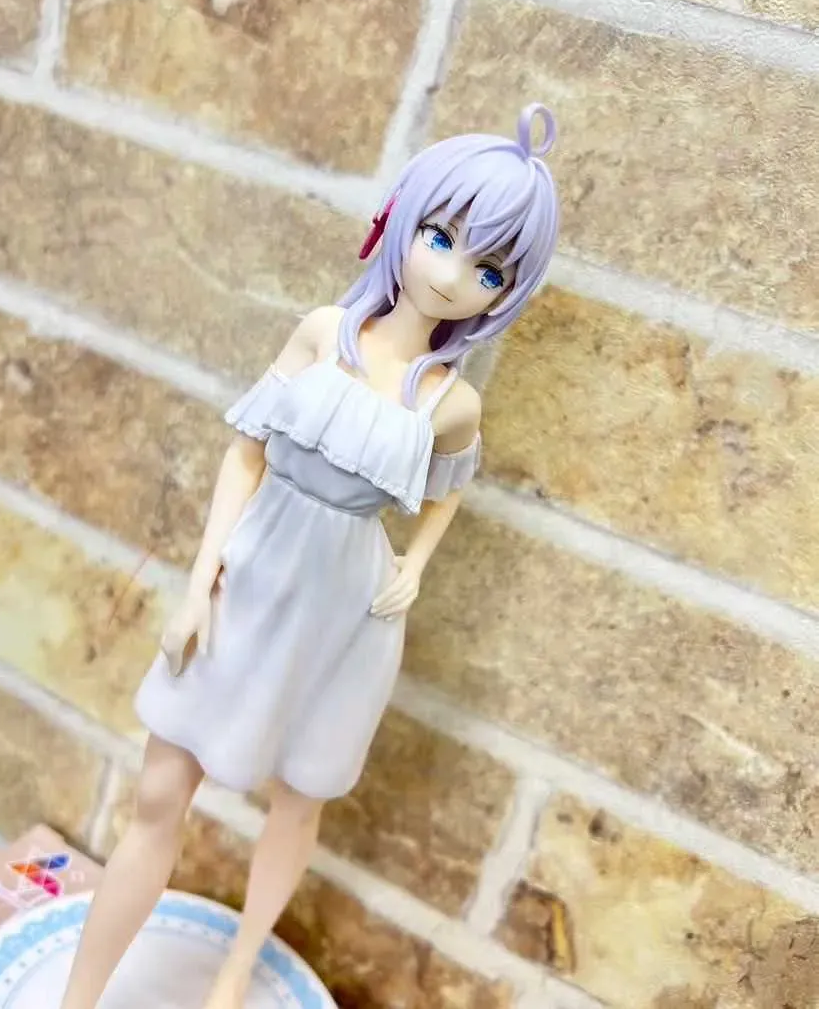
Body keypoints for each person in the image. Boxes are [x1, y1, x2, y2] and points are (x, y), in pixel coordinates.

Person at [58, 101, 560, 1009]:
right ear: (404, 222)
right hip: (252, 574)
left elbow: (449, 489)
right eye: (441, 238)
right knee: (160, 792)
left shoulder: (451, 404)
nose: (452, 276)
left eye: (489, 269)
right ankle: (79, 995)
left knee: (299, 800)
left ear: (504, 292)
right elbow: (245, 452)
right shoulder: (324, 333)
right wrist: (201, 579)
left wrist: (415, 565)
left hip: (347, 609)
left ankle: (239, 968)